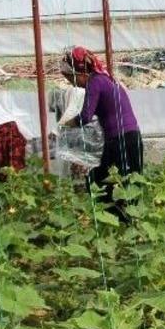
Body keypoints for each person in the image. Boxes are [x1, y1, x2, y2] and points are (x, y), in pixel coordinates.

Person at [61, 46, 143, 218]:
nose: (72, 83)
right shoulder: (106, 78)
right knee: (130, 183)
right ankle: (131, 221)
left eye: (71, 78)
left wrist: (66, 123)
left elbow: (85, 117)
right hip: (132, 137)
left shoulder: (95, 82)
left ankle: (115, 220)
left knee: (101, 182)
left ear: (80, 72)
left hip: (119, 140)